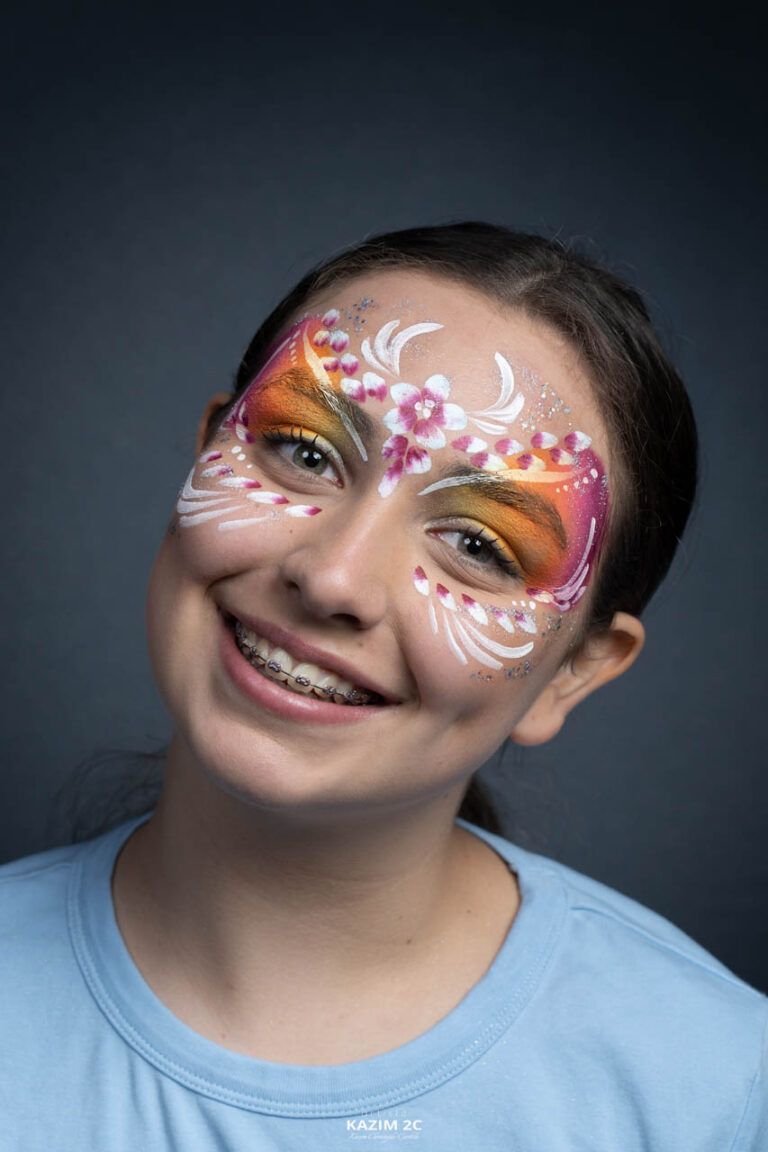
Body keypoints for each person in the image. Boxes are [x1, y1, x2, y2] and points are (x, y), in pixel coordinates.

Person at [1, 223, 765, 1150]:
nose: (332, 577)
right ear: (205, 450)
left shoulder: (720, 1095)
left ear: (574, 672)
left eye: (478, 546)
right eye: (307, 452)